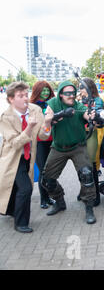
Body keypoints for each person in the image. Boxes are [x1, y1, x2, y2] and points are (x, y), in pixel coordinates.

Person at [40, 80, 98, 224]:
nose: (71, 96)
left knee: (86, 175)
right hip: (59, 147)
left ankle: (89, 208)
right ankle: (59, 201)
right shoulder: (53, 103)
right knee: (47, 180)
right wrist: (61, 114)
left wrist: (93, 116)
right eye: (67, 93)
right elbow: (47, 119)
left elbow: (87, 115)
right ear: (60, 94)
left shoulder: (78, 105)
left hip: (78, 147)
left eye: (73, 93)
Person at [0, 82, 52, 233]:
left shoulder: (35, 110)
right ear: (11, 99)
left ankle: (9, 210)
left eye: (26, 95)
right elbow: (16, 144)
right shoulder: (5, 118)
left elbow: (42, 135)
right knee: (26, 188)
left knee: (16, 186)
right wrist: (29, 127)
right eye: (20, 96)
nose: (25, 98)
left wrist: (48, 122)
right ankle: (21, 222)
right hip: (12, 158)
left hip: (29, 156)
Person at [78, 77, 104, 206]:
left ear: (89, 88)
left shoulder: (97, 101)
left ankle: (95, 195)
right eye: (79, 88)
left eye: (82, 87)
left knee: (91, 165)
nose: (80, 90)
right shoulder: (79, 100)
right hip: (79, 135)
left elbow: (98, 117)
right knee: (81, 166)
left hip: (91, 134)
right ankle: (84, 191)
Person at [30, 81, 56, 209]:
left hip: (52, 141)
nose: (45, 92)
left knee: (50, 170)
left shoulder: (51, 103)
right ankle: (43, 199)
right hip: (39, 142)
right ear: (37, 91)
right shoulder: (32, 106)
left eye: (47, 90)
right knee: (43, 171)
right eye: (43, 90)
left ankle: (49, 196)